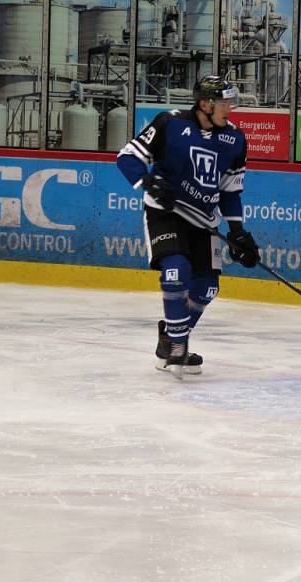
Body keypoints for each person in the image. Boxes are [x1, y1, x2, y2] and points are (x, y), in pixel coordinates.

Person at [116, 75, 260, 379]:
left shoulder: (235, 139)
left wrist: (237, 232)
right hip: (166, 213)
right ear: (205, 104)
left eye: (231, 102)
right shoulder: (170, 123)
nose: (229, 108)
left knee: (207, 287)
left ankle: (169, 338)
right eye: (223, 102)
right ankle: (179, 347)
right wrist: (149, 183)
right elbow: (128, 157)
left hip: (204, 220)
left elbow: (230, 191)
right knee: (176, 272)